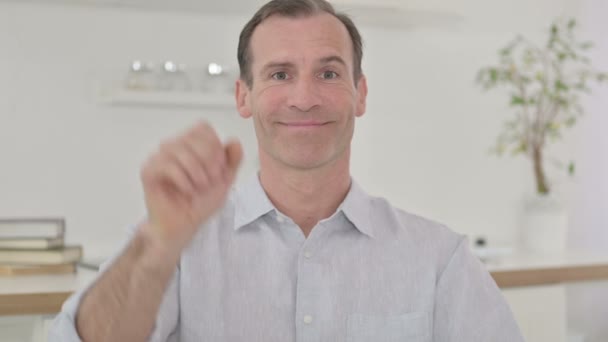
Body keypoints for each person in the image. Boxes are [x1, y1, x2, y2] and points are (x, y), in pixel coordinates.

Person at [49, 0, 524, 341]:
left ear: (360, 94)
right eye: (279, 74)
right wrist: (154, 249)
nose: (304, 97)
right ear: (243, 96)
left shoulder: (439, 260)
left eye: (329, 72)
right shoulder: (177, 246)